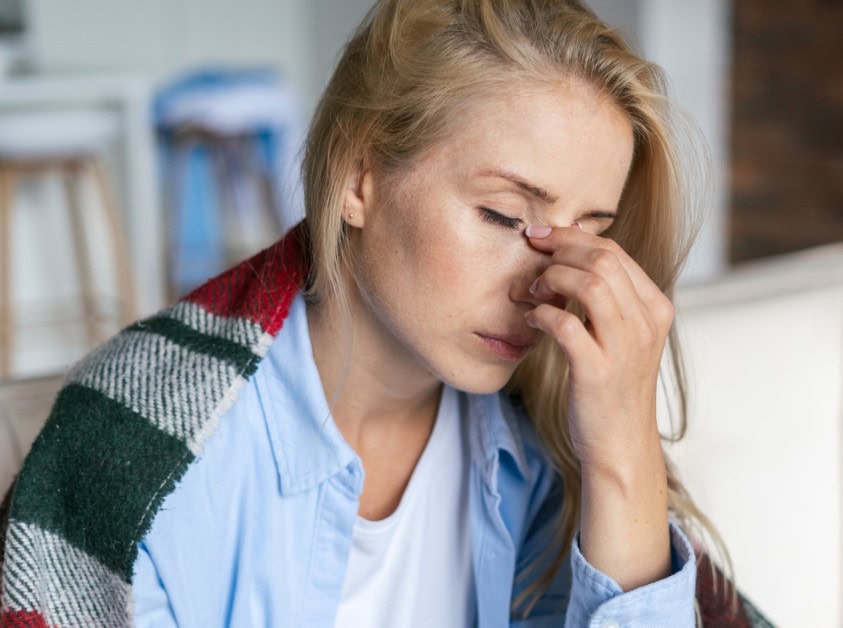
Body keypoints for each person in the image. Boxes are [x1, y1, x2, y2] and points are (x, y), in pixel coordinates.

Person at [0, 0, 769, 626]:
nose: (547, 285)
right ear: (358, 177)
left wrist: (622, 458)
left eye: (588, 240)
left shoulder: (542, 456)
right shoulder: (145, 451)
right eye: (504, 216)